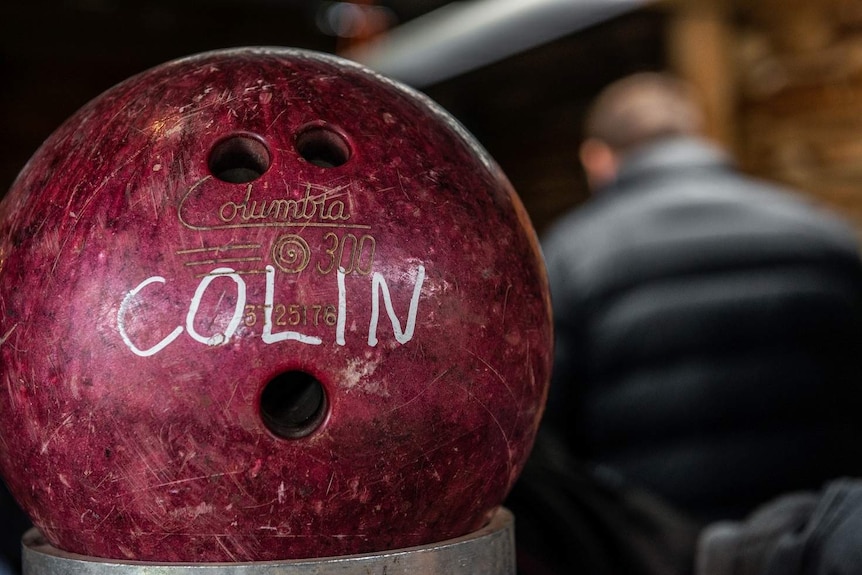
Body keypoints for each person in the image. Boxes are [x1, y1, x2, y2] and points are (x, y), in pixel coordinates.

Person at [539, 71, 862, 524]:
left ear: (596, 159)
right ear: (696, 136)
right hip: (808, 538)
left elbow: (545, 434)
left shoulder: (567, 259)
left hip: (662, 545)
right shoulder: (821, 233)